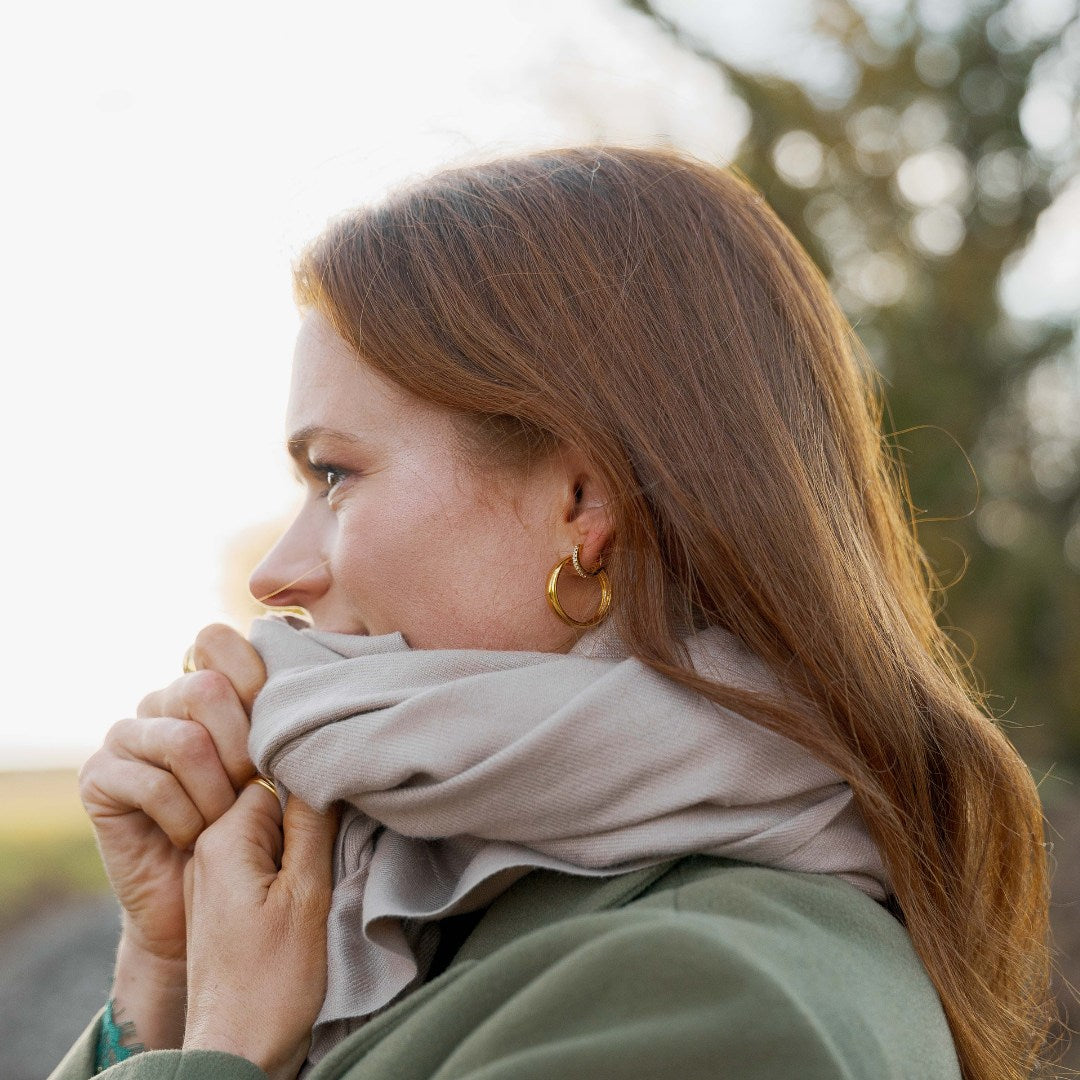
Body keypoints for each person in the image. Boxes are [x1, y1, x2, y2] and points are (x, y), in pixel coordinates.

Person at [51, 147, 1053, 1080]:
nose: (275, 574)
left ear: (584, 507)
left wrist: (224, 1050)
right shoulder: (434, 903)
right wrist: (163, 984)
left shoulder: (713, 1001)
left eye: (335, 474)